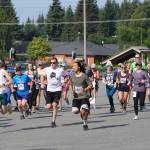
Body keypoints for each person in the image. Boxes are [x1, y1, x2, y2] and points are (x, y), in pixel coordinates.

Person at [41, 57, 64, 127]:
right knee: (48, 106)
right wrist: (42, 83)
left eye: (53, 63)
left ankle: (53, 121)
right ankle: (54, 110)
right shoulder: (47, 69)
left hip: (57, 90)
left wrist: (64, 82)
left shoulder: (60, 70)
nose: (52, 64)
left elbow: (67, 75)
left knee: (55, 105)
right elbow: (42, 75)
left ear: (56, 63)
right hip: (49, 90)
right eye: (51, 63)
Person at [71, 61, 92, 130]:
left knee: (83, 111)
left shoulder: (84, 76)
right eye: (73, 66)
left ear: (79, 67)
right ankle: (85, 111)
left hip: (84, 97)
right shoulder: (72, 76)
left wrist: (85, 89)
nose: (73, 67)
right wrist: (73, 91)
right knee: (75, 111)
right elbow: (72, 85)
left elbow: (90, 85)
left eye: (74, 66)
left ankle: (85, 123)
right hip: (76, 98)